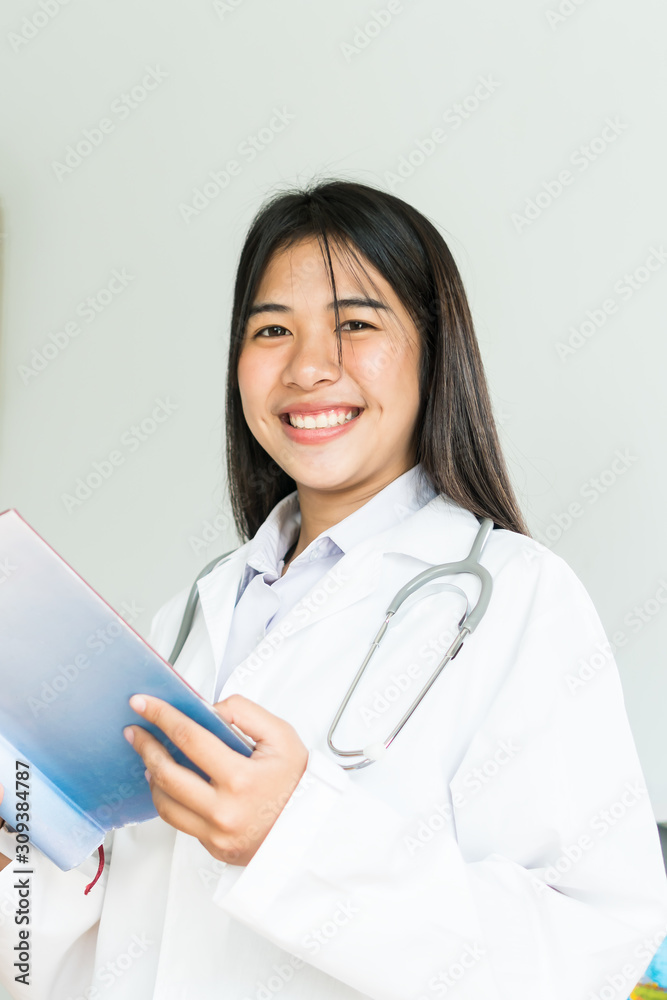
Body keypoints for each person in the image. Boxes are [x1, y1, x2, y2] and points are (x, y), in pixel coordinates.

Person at [1, 178, 666, 1000]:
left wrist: (293, 839)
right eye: (272, 329)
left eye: (355, 323)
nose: (310, 366)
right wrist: (20, 857)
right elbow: (80, 960)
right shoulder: (192, 619)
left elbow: (590, 952)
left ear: (433, 348)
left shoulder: (517, 598)